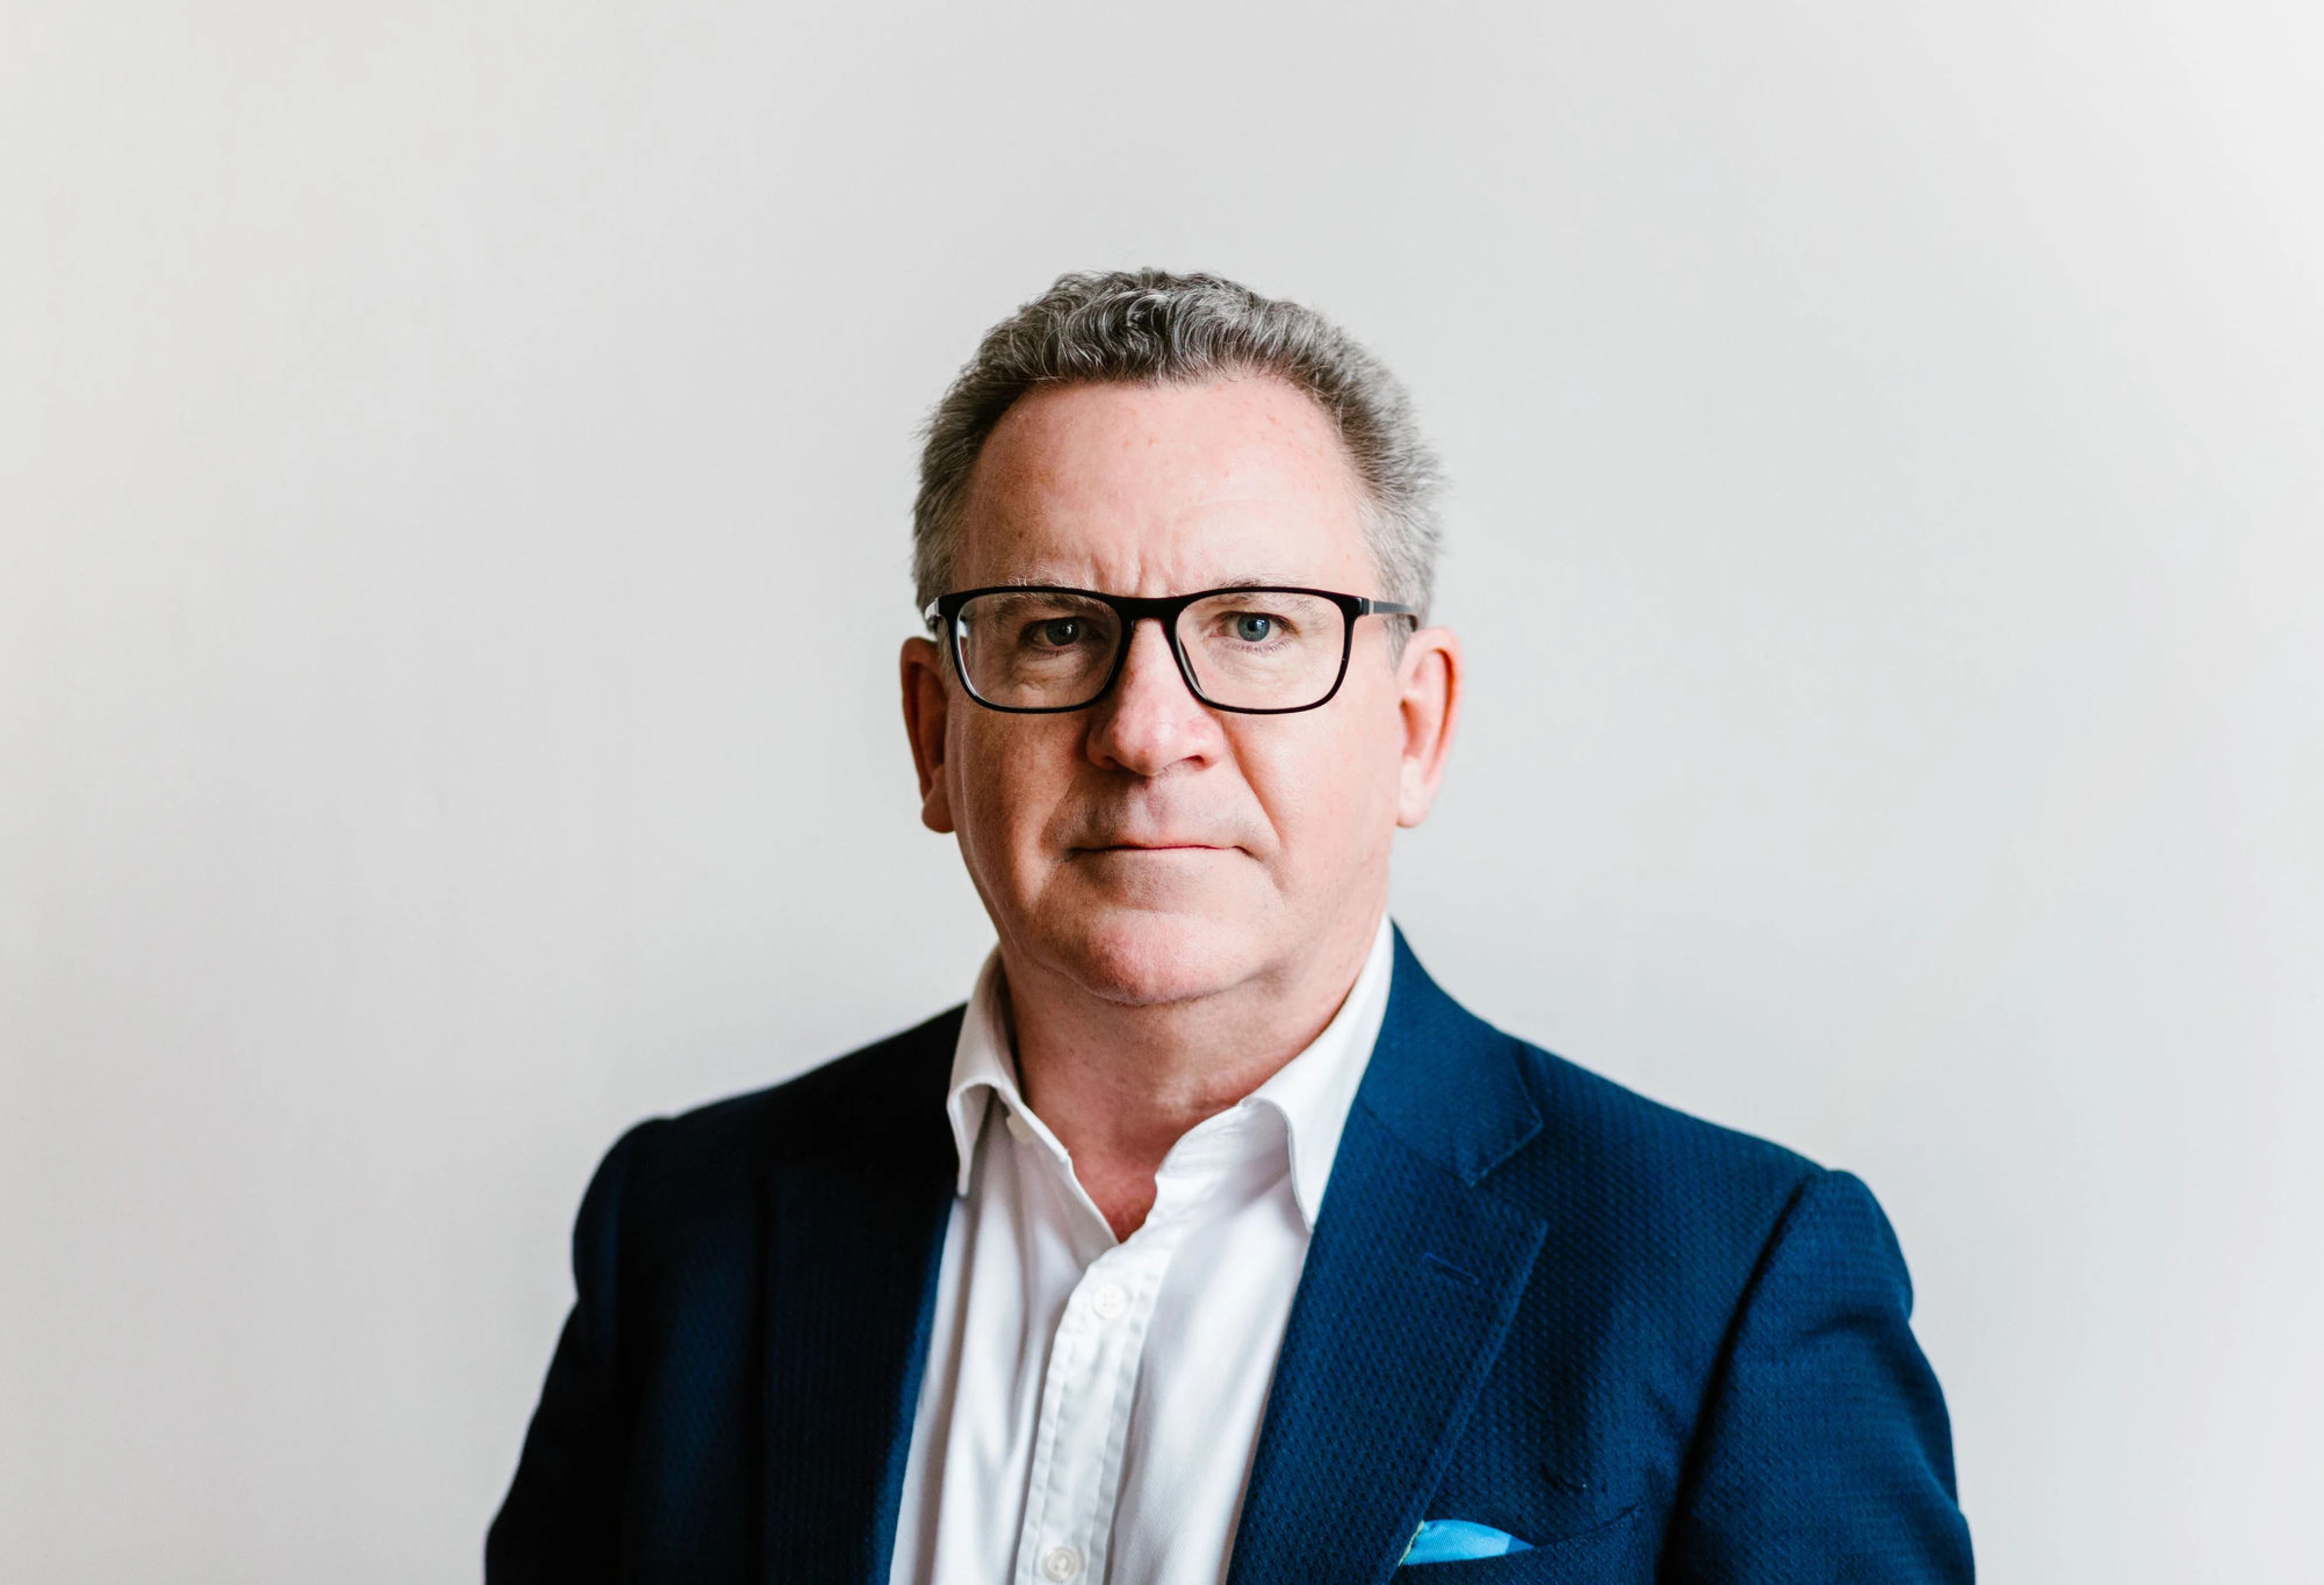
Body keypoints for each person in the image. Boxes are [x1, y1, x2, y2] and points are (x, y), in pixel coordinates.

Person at [487, 270, 1971, 1584]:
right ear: (935, 733)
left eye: (1256, 626)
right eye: (1056, 629)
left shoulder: (1730, 1286)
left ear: (1415, 729)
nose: (1148, 734)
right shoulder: (683, 1236)